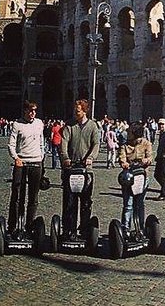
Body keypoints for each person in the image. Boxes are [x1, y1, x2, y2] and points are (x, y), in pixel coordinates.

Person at [60, 100, 100, 238]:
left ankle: (84, 229)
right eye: (75, 111)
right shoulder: (69, 126)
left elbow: (96, 144)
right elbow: (63, 143)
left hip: (86, 170)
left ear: (84, 111)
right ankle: (68, 229)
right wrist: (65, 158)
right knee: (69, 201)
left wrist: (91, 158)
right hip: (70, 168)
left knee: (86, 202)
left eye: (78, 111)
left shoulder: (93, 126)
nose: (75, 113)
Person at [6, 100, 45, 236]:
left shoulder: (39, 123)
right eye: (30, 110)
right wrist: (16, 158)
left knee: (33, 197)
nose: (33, 113)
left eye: (35, 111)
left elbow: (41, 143)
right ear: (25, 110)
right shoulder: (17, 124)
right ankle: (12, 225)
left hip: (36, 162)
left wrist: (41, 157)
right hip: (21, 162)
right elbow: (11, 144)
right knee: (17, 195)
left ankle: (30, 225)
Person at [118, 122, 153, 235]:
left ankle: (141, 228)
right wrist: (124, 163)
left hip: (142, 177)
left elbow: (150, 157)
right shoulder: (125, 145)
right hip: (129, 178)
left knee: (140, 203)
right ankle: (126, 228)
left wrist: (146, 161)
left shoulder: (146, 144)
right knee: (128, 204)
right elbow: (121, 157)